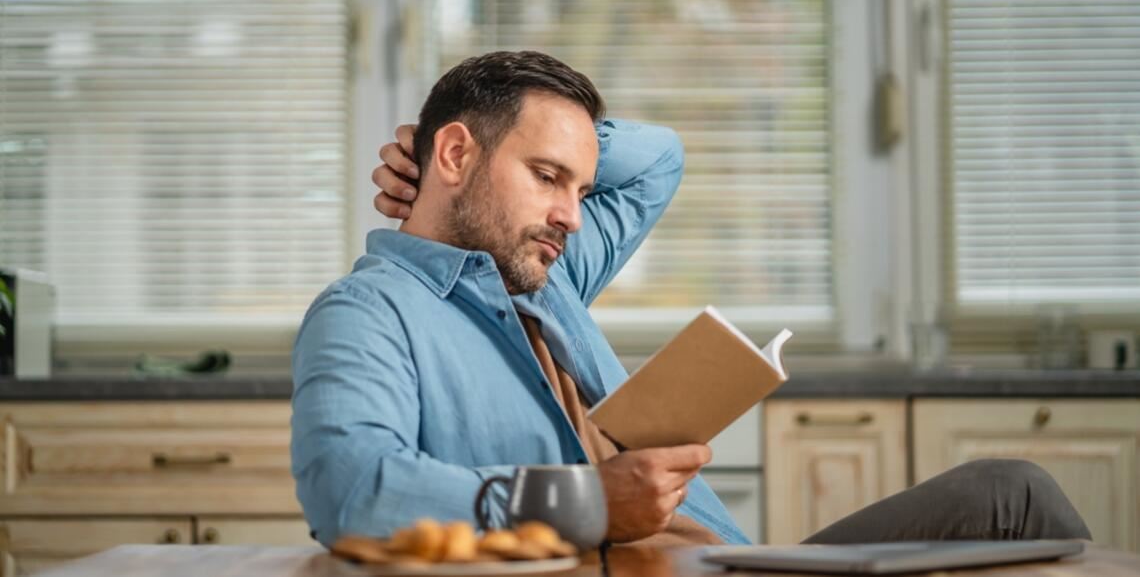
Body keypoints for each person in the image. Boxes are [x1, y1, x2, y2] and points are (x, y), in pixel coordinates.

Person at [291, 50, 1091, 548]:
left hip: (742, 561)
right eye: (546, 176)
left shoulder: (546, 269)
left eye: (581, 187)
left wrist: (553, 140)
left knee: (1011, 494)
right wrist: (588, 502)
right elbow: (351, 487)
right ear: (459, 155)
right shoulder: (369, 313)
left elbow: (660, 158)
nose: (573, 213)